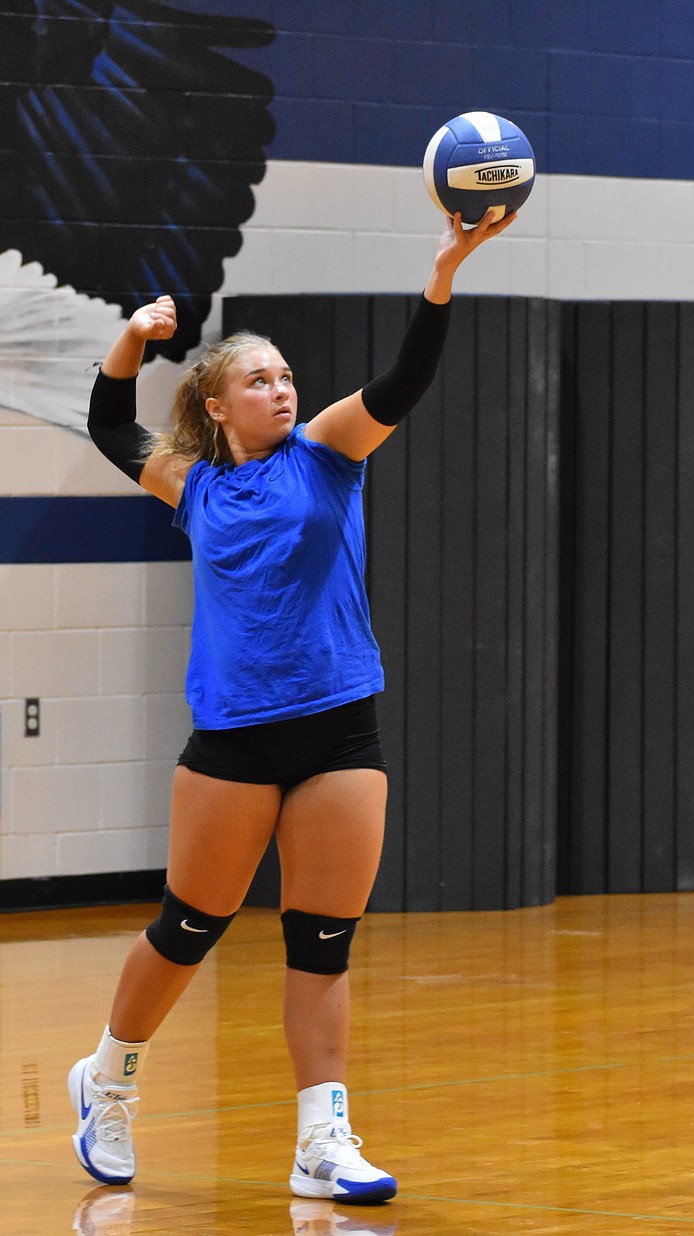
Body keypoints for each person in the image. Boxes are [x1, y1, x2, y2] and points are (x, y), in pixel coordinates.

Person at [72, 208, 515, 1204]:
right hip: (233, 738)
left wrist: (444, 272)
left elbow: (405, 382)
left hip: (339, 729)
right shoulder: (192, 486)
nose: (282, 388)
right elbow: (108, 423)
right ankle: (108, 1079)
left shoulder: (325, 454)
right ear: (219, 406)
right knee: (191, 925)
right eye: (259, 380)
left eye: (285, 376)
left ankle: (322, 1139)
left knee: (322, 939)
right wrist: (133, 339)